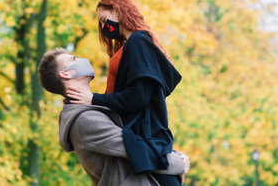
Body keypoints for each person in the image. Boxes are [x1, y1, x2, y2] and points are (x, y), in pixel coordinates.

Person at [66, 0, 183, 186]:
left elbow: (137, 97)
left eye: (105, 20)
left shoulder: (138, 41)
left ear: (118, 10)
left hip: (142, 138)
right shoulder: (130, 45)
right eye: (101, 24)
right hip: (137, 138)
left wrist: (93, 100)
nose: (104, 28)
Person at [38, 48, 189, 186]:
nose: (80, 60)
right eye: (73, 59)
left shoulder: (94, 108)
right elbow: (135, 149)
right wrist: (177, 161)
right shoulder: (84, 120)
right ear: (66, 73)